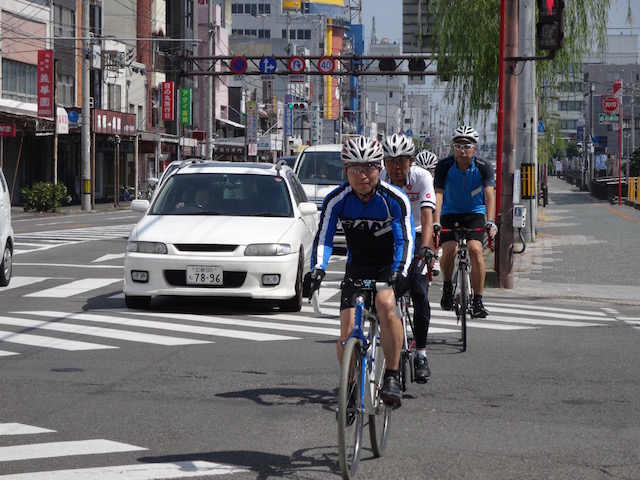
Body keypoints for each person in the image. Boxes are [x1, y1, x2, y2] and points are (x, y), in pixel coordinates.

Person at [309, 135, 414, 407]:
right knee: (346, 334)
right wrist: (317, 269)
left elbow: (405, 240)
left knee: (384, 303)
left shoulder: (394, 199)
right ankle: (351, 384)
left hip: (388, 265)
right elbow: (324, 238)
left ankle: (391, 375)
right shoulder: (337, 200)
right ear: (344, 170)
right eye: (354, 168)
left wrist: (400, 273)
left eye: (368, 167)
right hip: (357, 266)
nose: (362, 175)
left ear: (380, 168)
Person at [380, 135, 436, 384]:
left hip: (414, 234)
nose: (396, 167)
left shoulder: (422, 178)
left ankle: (421, 353)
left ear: (411, 161)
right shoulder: (379, 179)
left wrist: (425, 249)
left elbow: (427, 217)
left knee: (420, 292)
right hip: (390, 235)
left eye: (402, 161)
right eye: (391, 161)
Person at [433, 125, 497, 318]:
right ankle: (446, 287)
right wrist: (436, 222)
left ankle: (478, 300)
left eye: (467, 146)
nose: (462, 150)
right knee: (450, 250)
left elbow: (489, 196)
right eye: (458, 145)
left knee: (476, 250)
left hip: (474, 213)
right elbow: (438, 195)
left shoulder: (484, 167)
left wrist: (491, 221)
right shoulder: (444, 166)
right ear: (453, 148)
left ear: (474, 149)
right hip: (449, 213)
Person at [414, 149, 442, 276]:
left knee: (434, 226)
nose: (427, 175)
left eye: (430, 171)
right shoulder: (412, 180)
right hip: (415, 220)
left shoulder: (436, 184)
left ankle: (435, 254)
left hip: (429, 213)